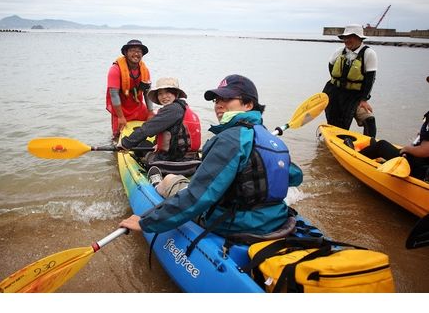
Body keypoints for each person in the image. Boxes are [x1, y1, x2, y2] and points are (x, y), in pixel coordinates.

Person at [120, 74, 303, 240]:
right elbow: (295, 176)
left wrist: (147, 223)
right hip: (277, 219)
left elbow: (198, 197)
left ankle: (157, 184)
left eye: (227, 98)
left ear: (248, 105)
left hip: (234, 224)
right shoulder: (272, 141)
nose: (218, 104)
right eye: (217, 100)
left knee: (169, 180)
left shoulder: (230, 139)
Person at [118, 77, 202, 175]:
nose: (164, 96)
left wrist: (125, 144)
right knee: (149, 144)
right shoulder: (183, 108)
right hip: (191, 161)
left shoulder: (172, 110)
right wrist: (158, 144)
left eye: (168, 92)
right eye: (160, 93)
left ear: (176, 93)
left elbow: (147, 129)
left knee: (141, 145)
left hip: (172, 162)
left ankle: (147, 171)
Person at [359, 76, 429, 181]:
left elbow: (425, 151)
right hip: (422, 163)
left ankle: (356, 157)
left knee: (380, 145)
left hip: (419, 168)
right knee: (373, 142)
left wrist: (407, 149)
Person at [322, 24, 378, 137]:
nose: (346, 40)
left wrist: (364, 99)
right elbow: (331, 67)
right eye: (345, 37)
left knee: (369, 120)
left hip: (355, 96)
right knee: (335, 124)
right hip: (334, 93)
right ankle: (333, 144)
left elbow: (370, 79)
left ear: (359, 38)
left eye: (350, 37)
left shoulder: (368, 54)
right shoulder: (339, 51)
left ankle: (370, 147)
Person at [106, 39, 154, 139]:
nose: (136, 54)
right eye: (132, 50)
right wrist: (120, 117)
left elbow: (147, 92)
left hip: (138, 107)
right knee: (117, 137)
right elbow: (114, 95)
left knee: (153, 126)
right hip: (120, 109)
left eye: (139, 51)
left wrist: (150, 112)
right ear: (126, 53)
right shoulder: (115, 69)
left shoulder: (145, 70)